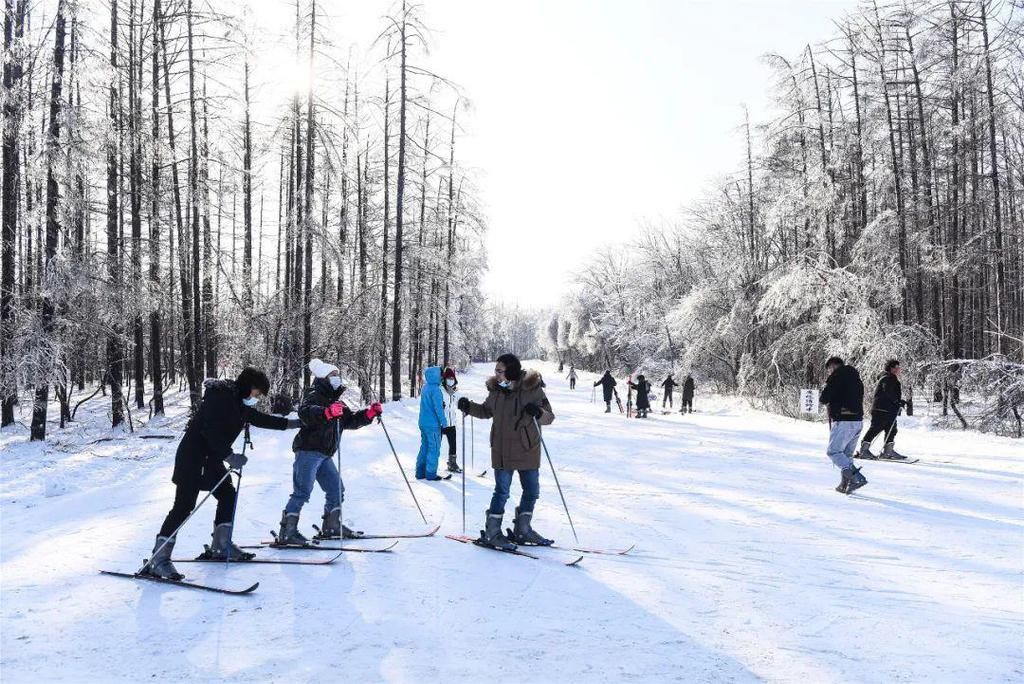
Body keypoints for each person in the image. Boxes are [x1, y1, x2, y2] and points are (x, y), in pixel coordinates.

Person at [144, 367, 301, 580]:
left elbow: (260, 419)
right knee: (183, 506)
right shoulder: (220, 399)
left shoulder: (238, 402)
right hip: (194, 458)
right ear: (247, 387)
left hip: (211, 459)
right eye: (256, 393)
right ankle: (159, 559)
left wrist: (296, 423)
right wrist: (229, 456)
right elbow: (210, 430)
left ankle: (221, 545)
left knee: (227, 494)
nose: (256, 398)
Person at [277, 359, 382, 544]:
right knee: (302, 491)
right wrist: (326, 412)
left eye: (337, 375)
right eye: (333, 375)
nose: (337, 378)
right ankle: (287, 532)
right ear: (323, 378)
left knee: (336, 489)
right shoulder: (313, 394)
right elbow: (305, 412)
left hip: (324, 454)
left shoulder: (336, 401)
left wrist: (369, 413)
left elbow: (351, 421)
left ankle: (332, 526)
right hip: (308, 451)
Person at [457, 353, 555, 550]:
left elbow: (549, 417)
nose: (496, 374)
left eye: (500, 371)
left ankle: (523, 529)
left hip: (527, 448)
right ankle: (492, 532)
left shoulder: (532, 389)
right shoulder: (496, 391)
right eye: (496, 370)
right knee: (501, 492)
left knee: (532, 491)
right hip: (502, 449)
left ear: (510, 371)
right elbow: (486, 411)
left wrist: (538, 413)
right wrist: (469, 407)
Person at [819, 356, 868, 494]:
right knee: (847, 455)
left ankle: (856, 477)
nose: (829, 373)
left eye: (829, 369)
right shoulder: (857, 379)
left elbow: (824, 398)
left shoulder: (836, 377)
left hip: (843, 420)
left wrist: (828, 388)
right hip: (858, 420)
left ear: (833, 366)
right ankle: (845, 484)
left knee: (833, 451)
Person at [860, 359, 908, 460]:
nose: (899, 370)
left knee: (892, 430)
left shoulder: (890, 378)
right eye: (897, 367)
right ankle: (864, 450)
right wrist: (897, 401)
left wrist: (898, 402)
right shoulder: (888, 378)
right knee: (876, 428)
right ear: (892, 369)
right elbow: (888, 391)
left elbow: (890, 393)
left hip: (888, 410)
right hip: (882, 409)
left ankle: (888, 451)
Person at [416, 365, 450, 481]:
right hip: (432, 425)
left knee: (424, 447)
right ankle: (430, 473)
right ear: (436, 376)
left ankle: (420, 472)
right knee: (433, 448)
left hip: (423, 423)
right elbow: (438, 409)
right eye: (441, 375)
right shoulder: (436, 390)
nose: (442, 377)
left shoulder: (425, 387)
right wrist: (444, 423)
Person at [441, 366, 462, 473]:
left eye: (452, 379)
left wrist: (465, 404)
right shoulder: (440, 390)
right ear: (444, 379)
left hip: (451, 422)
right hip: (441, 422)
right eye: (448, 378)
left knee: (453, 444)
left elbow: (460, 400)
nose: (450, 380)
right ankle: (431, 465)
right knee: (435, 445)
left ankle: (452, 464)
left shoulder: (455, 391)